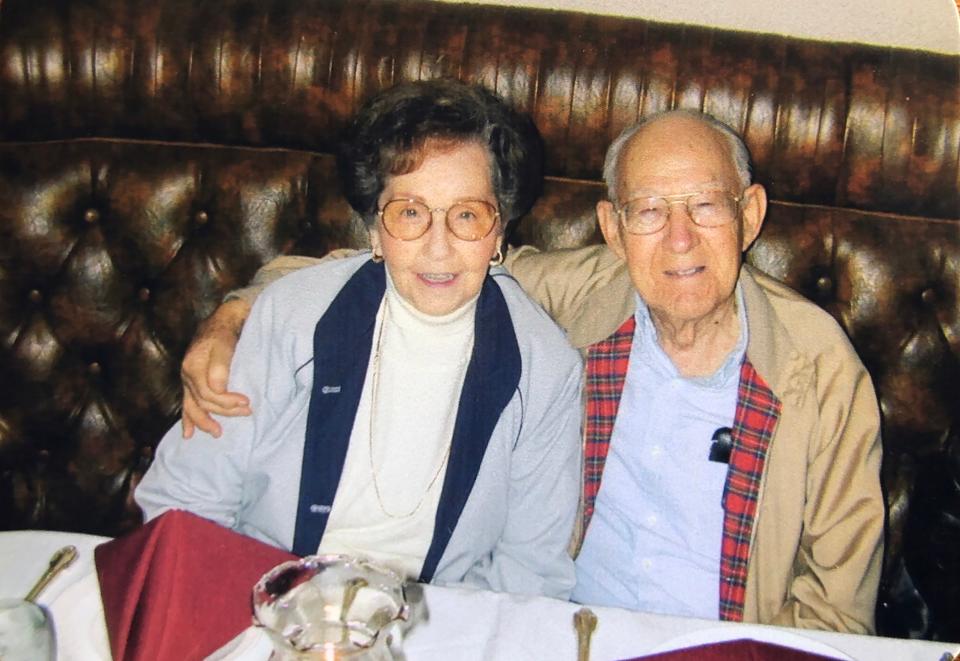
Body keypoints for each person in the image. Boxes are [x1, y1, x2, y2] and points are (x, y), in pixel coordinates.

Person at [179, 109, 884, 633]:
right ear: (611, 229)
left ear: (750, 214)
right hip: (565, 634)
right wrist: (237, 312)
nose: (678, 240)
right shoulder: (580, 297)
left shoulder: (819, 372)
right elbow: (422, 263)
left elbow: (838, 611)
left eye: (705, 205)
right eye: (648, 211)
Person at [136, 79, 583, 599]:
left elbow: (529, 572)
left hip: (431, 625)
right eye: (410, 213)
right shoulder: (293, 315)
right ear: (374, 227)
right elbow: (185, 498)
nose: (438, 249)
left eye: (467, 215)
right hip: (263, 598)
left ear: (500, 230)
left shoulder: (544, 366)